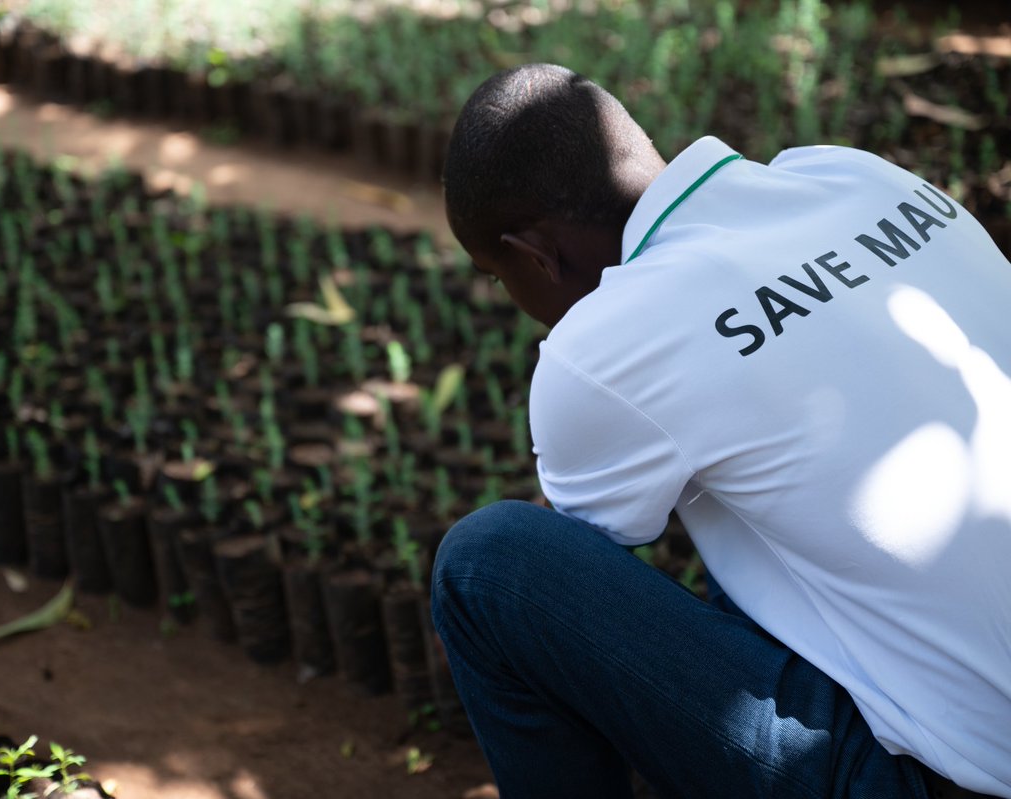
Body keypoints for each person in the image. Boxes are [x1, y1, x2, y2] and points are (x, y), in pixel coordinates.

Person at [431, 63, 1011, 799]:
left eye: (495, 274)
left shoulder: (603, 346)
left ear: (535, 252)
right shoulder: (855, 178)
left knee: (489, 568)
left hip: (950, 780)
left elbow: (579, 577)